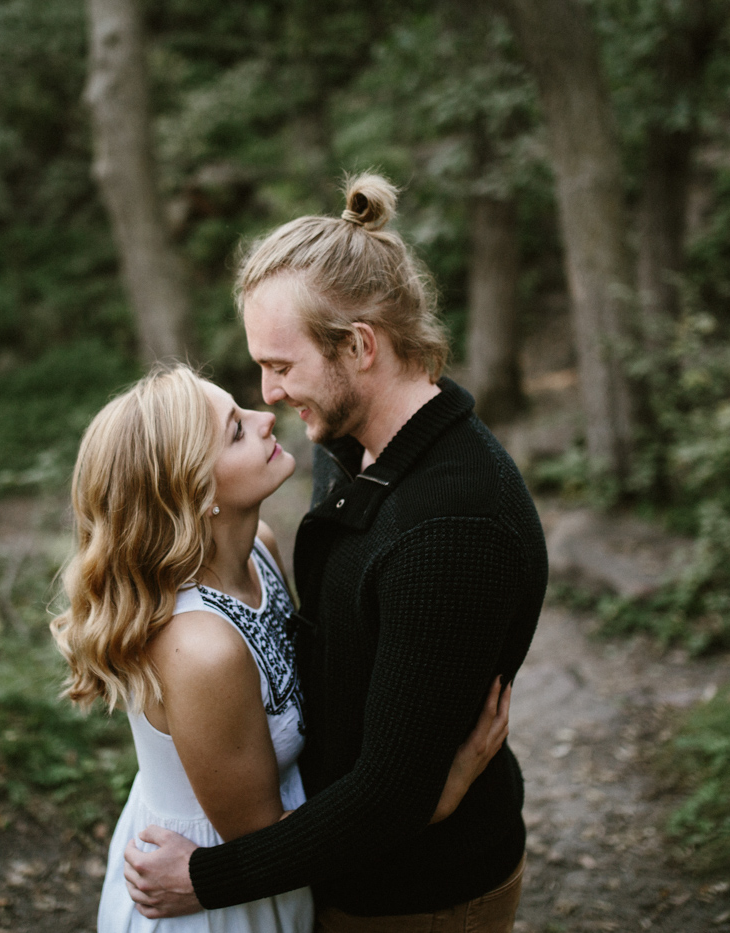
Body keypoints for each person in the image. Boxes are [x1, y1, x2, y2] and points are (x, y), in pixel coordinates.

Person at [123, 175, 549, 933]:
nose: (269, 392)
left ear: (359, 346)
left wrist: (205, 876)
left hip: (419, 897)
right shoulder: (353, 445)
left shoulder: (450, 526)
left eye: (282, 366)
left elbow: (389, 795)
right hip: (344, 867)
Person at [52, 365, 512, 933]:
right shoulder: (201, 650)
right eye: (237, 431)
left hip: (281, 858)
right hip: (219, 895)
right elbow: (262, 842)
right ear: (195, 493)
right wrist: (434, 798)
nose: (266, 417)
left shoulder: (259, 552)